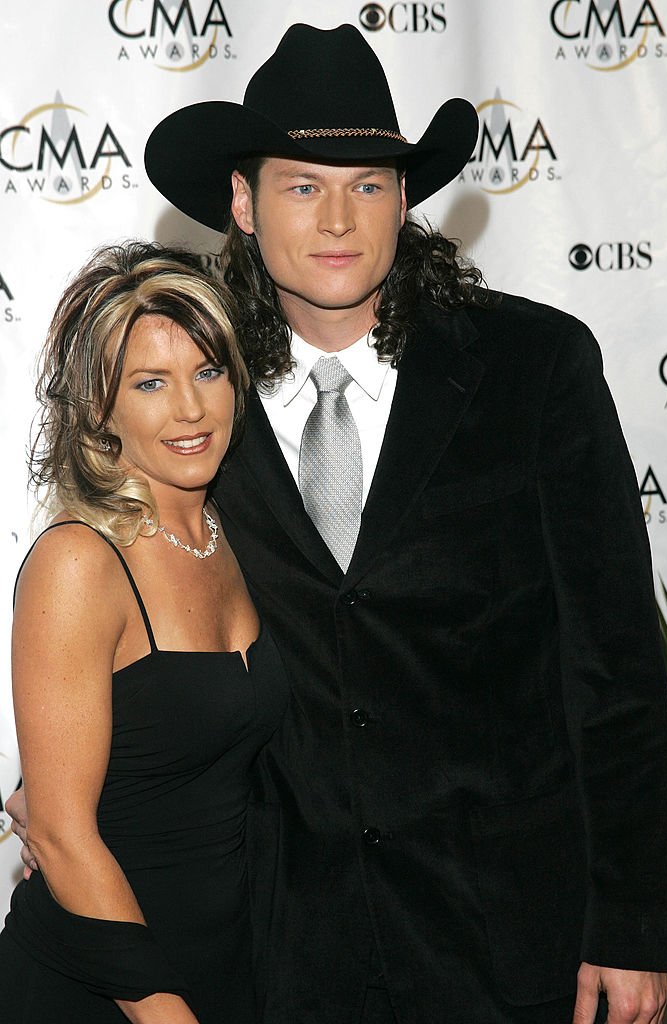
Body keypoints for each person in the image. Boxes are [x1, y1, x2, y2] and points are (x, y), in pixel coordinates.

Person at [9, 19, 667, 1024]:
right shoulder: (196, 406)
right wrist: (70, 824)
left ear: (405, 200)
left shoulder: (533, 370)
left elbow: (617, 668)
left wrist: (631, 930)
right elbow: (137, 638)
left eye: (366, 184)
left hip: (513, 939)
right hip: (287, 957)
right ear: (240, 201)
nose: (336, 219)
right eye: (301, 184)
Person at [0, 241, 288, 1023]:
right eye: (150, 383)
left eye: (207, 372)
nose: (190, 410)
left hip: (229, 964)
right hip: (105, 985)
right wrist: (166, 1013)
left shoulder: (244, 532)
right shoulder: (79, 562)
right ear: (100, 406)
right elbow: (60, 836)